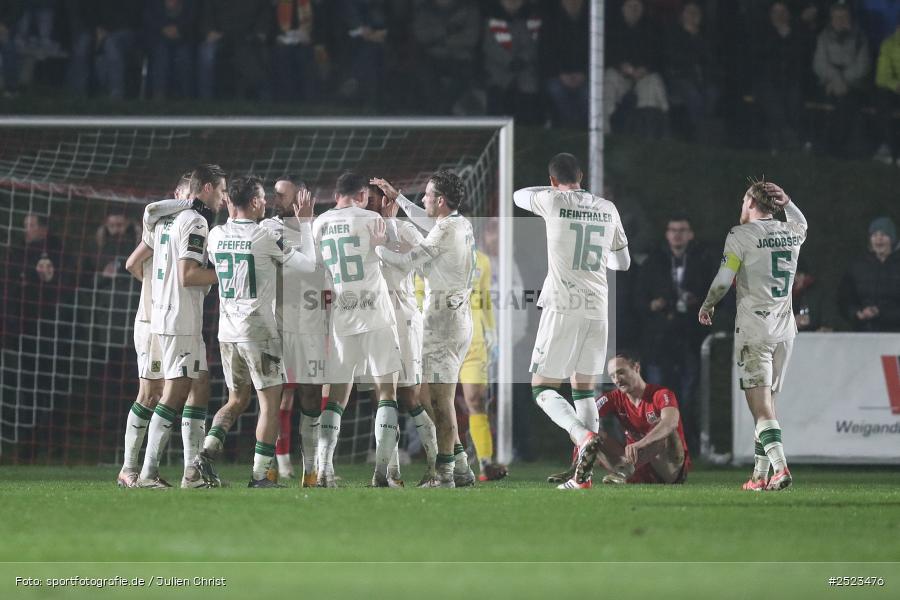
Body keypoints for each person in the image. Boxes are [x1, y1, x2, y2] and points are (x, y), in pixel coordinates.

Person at [513, 153, 630, 490]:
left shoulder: (551, 200)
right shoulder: (607, 207)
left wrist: (554, 191)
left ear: (552, 181)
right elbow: (621, 264)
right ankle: (584, 477)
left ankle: (582, 435)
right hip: (598, 309)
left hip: (563, 307)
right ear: (582, 175)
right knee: (585, 391)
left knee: (542, 387)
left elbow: (519, 195)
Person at [198, 175, 317, 488]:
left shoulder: (215, 234)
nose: (267, 202)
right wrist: (305, 225)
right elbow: (308, 266)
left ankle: (207, 450)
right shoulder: (264, 236)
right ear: (252, 203)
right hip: (258, 331)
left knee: (236, 399)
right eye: (263, 198)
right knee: (270, 405)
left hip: (227, 333)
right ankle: (260, 475)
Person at [697, 181, 807, 491]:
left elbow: (723, 280)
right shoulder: (792, 231)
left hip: (755, 330)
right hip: (785, 329)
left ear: (749, 204)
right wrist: (788, 201)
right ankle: (759, 476)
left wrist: (708, 305)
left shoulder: (740, 235)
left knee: (760, 409)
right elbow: (802, 222)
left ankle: (780, 468)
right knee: (769, 404)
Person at [371, 170, 478, 487]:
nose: (423, 200)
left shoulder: (445, 231)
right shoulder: (459, 223)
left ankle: (445, 475)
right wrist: (399, 197)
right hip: (454, 316)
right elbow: (428, 223)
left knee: (441, 402)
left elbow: (405, 262)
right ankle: (460, 467)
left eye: (427, 195)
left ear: (440, 201)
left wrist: (377, 246)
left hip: (445, 320)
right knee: (425, 395)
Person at [136, 164, 226, 489]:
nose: (223, 197)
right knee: (175, 393)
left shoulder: (166, 220)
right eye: (219, 190)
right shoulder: (196, 221)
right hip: (180, 318)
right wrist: (228, 275)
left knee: (200, 384)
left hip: (168, 315)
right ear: (205, 189)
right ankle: (147, 473)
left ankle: (192, 472)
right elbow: (189, 275)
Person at [313, 171, 402, 488]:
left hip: (342, 314)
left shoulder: (319, 223)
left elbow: (318, 268)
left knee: (336, 395)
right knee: (387, 392)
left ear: (338, 194)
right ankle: (382, 471)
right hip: (376, 312)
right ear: (363, 194)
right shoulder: (371, 219)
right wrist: (389, 223)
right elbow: (394, 257)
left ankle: (322, 469)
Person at [117, 173, 204, 488]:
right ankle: (136, 470)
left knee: (177, 389)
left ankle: (173, 470)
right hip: (157, 320)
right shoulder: (167, 223)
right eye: (182, 191)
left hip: (160, 320)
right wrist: (157, 289)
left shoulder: (165, 226)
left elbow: (131, 264)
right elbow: (131, 263)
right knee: (156, 393)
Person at [368, 182, 439, 487]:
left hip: (406, 319)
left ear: (386, 201)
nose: (366, 204)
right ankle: (388, 471)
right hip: (377, 320)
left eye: (370, 200)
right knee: (383, 393)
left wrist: (386, 243)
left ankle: (441, 463)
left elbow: (425, 262)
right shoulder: (361, 232)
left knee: (413, 395)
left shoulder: (406, 231)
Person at [261, 174, 329, 485]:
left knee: (311, 399)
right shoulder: (269, 229)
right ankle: (273, 465)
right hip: (277, 327)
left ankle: (311, 469)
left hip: (312, 328)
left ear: (302, 198)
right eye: (274, 194)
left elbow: (322, 274)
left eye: (282, 195)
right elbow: (303, 265)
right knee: (274, 399)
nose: (276, 200)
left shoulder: (318, 230)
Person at [634, 213, 716, 454]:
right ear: (667, 234)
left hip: (691, 338)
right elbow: (638, 298)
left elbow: (716, 295)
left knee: (689, 396)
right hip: (660, 341)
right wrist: (653, 306)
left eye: (682, 230)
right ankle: (659, 446)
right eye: (673, 230)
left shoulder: (702, 261)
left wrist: (699, 302)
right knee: (659, 397)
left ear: (690, 234)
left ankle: (689, 444)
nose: (677, 235)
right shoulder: (654, 262)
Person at [577, 351, 691, 485]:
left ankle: (625, 471)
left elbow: (670, 423)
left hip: (668, 468)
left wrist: (640, 444)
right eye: (612, 376)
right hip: (633, 464)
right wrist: (584, 448)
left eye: (621, 372)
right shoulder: (613, 398)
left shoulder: (661, 394)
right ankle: (578, 474)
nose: (617, 379)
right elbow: (582, 421)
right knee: (591, 434)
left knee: (662, 427)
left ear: (636, 368)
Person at [458, 243, 507, 482]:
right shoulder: (431, 253)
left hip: (474, 343)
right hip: (439, 342)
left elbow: (485, 298)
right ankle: (444, 460)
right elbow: (418, 293)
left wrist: (492, 333)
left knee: (476, 400)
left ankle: (485, 462)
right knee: (434, 404)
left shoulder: (482, 261)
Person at [813, 2, 870, 157]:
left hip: (852, 85)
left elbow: (862, 66)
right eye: (837, 17)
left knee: (847, 104)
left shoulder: (860, 38)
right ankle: (829, 147)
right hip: (829, 84)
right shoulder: (824, 36)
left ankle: (843, 148)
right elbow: (820, 64)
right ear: (831, 19)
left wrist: (843, 81)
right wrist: (836, 80)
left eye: (844, 17)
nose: (840, 20)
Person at [604, 0, 669, 136]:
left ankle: (650, 133)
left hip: (642, 77)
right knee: (608, 80)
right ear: (622, 8)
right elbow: (606, 54)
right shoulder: (611, 27)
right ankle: (605, 131)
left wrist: (645, 69)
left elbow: (659, 58)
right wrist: (620, 66)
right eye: (630, 6)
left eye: (637, 6)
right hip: (618, 76)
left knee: (654, 83)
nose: (633, 10)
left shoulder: (652, 28)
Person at [482, 0, 543, 124]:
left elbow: (531, 45)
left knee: (528, 92)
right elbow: (489, 47)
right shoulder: (489, 19)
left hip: (524, 71)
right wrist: (509, 61)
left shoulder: (529, 20)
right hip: (497, 72)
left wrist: (522, 60)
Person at [838, 217, 900, 332]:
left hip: (894, 336)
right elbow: (844, 299)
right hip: (863, 334)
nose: (879, 239)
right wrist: (856, 313)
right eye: (874, 235)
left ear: (892, 239)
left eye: (883, 234)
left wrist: (881, 313)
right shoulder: (858, 266)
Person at [541, 0, 589, 128]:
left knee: (588, 94)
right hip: (557, 76)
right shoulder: (551, 21)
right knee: (556, 90)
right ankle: (570, 132)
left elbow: (595, 53)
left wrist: (584, 74)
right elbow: (546, 54)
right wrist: (562, 75)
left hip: (585, 76)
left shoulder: (591, 23)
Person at [872, 23, 900, 166]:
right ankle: (887, 147)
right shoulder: (889, 44)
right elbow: (881, 76)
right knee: (883, 99)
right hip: (894, 90)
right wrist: (895, 84)